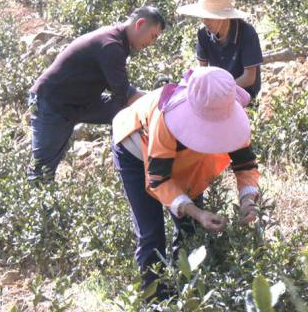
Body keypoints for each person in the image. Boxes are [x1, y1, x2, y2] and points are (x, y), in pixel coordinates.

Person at [111, 66, 261, 298]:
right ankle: (156, 310)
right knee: (152, 235)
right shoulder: (166, 117)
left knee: (190, 231)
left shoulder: (229, 115)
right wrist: (197, 211)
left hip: (182, 158)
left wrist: (247, 201)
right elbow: (159, 180)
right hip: (134, 149)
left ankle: (187, 296)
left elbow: (245, 165)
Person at [28, 6, 166, 183]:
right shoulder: (111, 44)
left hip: (81, 102)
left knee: (127, 112)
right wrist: (160, 97)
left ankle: (135, 163)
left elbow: (121, 96)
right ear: (140, 24)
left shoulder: (118, 42)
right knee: (42, 172)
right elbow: (124, 92)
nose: (151, 42)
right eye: (153, 36)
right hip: (53, 103)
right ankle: (36, 208)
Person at [177, 0, 263, 104]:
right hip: (215, 93)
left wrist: (221, 90)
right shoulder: (203, 34)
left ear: (224, 17)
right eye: (203, 17)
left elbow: (249, 77)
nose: (205, 21)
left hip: (243, 95)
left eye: (210, 17)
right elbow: (202, 68)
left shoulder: (247, 34)